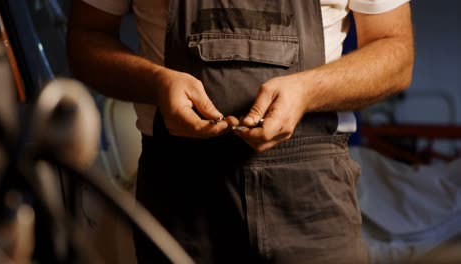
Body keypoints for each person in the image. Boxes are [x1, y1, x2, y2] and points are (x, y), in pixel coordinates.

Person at [67, 0, 414, 263]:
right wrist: (157, 83)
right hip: (180, 195)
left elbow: (395, 51)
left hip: (314, 203)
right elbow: (86, 39)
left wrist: (308, 90)